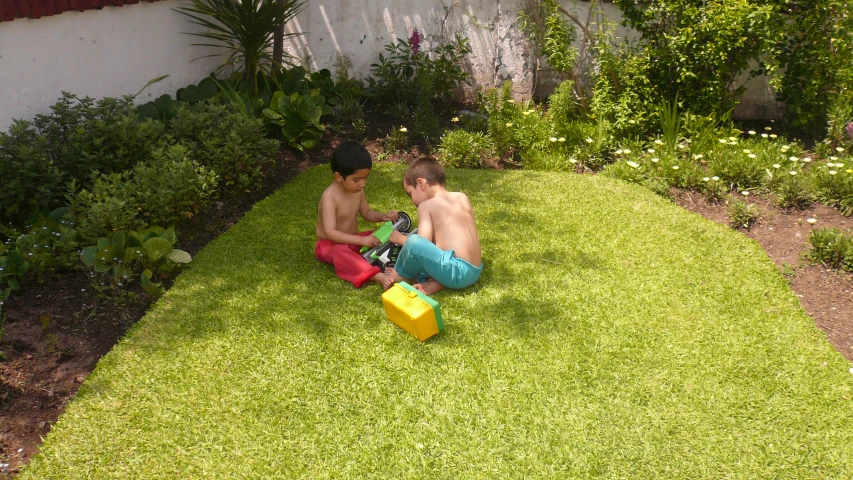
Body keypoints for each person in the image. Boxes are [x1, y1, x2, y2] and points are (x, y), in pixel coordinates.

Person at [385, 157, 482, 295]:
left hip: (456, 271)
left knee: (414, 242)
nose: (412, 201)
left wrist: (399, 238)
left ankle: (399, 275)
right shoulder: (461, 197)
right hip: (475, 270)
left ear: (421, 183)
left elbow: (422, 245)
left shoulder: (426, 206)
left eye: (410, 194)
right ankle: (434, 283)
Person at [315, 140, 398, 290]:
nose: (362, 184)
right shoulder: (330, 197)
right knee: (340, 252)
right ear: (339, 177)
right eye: (357, 180)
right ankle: (377, 275)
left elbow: (367, 213)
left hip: (355, 240)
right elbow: (330, 234)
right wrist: (362, 240)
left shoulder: (357, 190)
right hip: (330, 246)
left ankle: (395, 258)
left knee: (383, 235)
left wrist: (382, 217)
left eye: (365, 178)